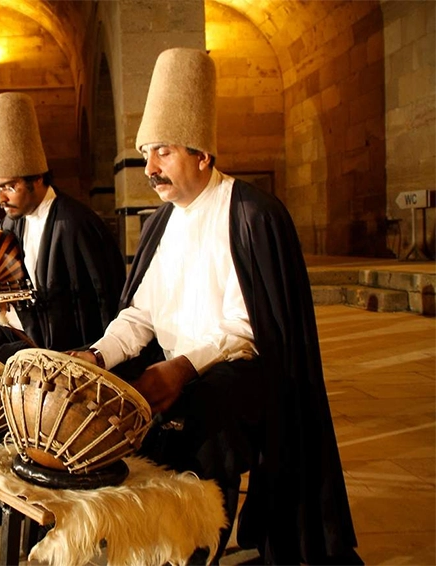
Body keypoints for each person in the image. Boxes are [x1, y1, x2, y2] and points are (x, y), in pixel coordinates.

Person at [72, 48, 360, 565]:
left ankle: (197, 540)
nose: (150, 168)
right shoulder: (160, 221)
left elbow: (250, 329)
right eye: (145, 154)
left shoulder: (252, 214)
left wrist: (182, 367)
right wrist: (96, 356)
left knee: (198, 417)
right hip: (179, 367)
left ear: (202, 154)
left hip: (247, 374)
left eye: (163, 151)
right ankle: (143, 530)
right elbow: (140, 315)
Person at [0, 92, 125, 365]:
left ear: (38, 178)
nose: (0, 198)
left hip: (58, 343)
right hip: (16, 327)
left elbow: (105, 301)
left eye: (9, 186)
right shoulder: (9, 220)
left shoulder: (76, 223)